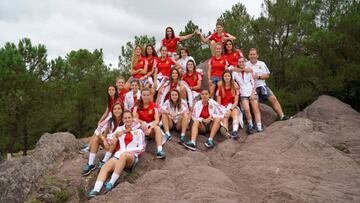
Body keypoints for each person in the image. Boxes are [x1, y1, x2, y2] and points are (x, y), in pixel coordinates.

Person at [88, 110, 145, 198]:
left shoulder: (139, 131)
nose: (127, 120)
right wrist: (111, 139)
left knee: (124, 155)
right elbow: (110, 137)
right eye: (125, 118)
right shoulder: (119, 129)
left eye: (129, 118)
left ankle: (111, 183)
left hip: (131, 157)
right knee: (105, 167)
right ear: (122, 119)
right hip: (118, 155)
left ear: (132, 119)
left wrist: (130, 152)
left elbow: (142, 148)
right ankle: (96, 189)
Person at [246, 48, 290, 121]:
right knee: (255, 105)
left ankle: (282, 116)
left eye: (254, 54)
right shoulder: (246, 65)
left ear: (257, 55)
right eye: (251, 54)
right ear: (248, 56)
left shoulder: (261, 63)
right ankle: (258, 123)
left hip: (262, 86)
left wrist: (259, 77)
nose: (252, 56)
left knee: (273, 99)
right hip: (252, 88)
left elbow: (267, 75)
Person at [82, 102, 123, 176]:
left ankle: (104, 161)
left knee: (115, 140)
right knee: (97, 138)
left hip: (119, 147)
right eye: (115, 109)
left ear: (122, 110)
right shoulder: (109, 120)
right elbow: (97, 131)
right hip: (109, 145)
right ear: (112, 111)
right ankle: (91, 163)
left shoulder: (125, 119)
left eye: (119, 109)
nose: (117, 111)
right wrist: (104, 139)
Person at [133, 88, 167, 158]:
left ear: (150, 96)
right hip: (141, 127)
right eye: (144, 95)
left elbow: (157, 120)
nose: (146, 97)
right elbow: (134, 118)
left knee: (157, 128)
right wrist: (142, 122)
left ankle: (159, 151)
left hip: (150, 126)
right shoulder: (137, 106)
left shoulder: (154, 106)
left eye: (147, 95)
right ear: (141, 96)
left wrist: (150, 128)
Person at [233, 57, 263, 134]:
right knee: (246, 109)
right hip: (242, 93)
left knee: (255, 108)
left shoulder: (250, 70)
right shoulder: (235, 72)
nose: (241, 63)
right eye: (239, 62)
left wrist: (253, 93)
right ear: (237, 63)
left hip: (251, 91)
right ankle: (250, 125)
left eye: (243, 62)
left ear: (244, 63)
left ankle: (259, 127)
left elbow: (254, 82)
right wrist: (234, 83)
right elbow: (231, 79)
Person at [216, 70, 241, 139]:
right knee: (225, 117)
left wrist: (230, 109)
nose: (227, 77)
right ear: (223, 77)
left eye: (228, 76)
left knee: (235, 113)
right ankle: (226, 132)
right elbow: (218, 103)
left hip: (232, 106)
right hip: (223, 107)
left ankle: (235, 131)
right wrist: (223, 111)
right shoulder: (220, 88)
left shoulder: (235, 88)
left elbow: (236, 102)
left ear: (231, 77)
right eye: (225, 76)